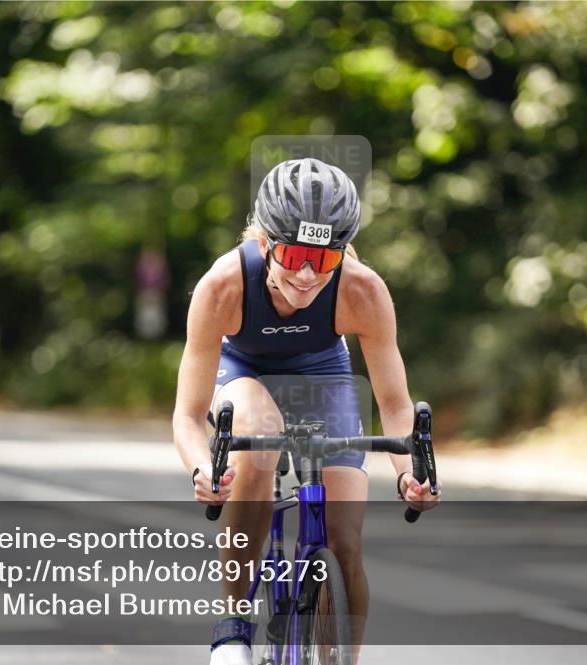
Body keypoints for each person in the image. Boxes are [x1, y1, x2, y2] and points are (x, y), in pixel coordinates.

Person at [172, 157, 440, 665]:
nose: (307, 273)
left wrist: (411, 473)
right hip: (242, 369)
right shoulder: (223, 286)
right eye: (295, 254)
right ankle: (233, 626)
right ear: (266, 243)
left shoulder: (362, 289)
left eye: (324, 258)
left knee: (345, 541)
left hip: (322, 374)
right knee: (261, 431)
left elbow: (395, 403)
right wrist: (202, 469)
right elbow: (187, 414)